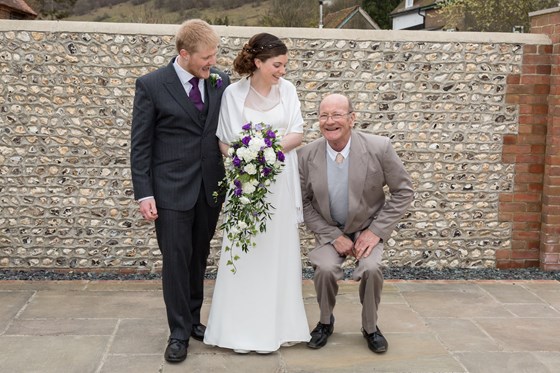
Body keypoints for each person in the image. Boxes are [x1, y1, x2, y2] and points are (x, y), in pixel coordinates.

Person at [130, 19, 230, 363]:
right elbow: (140, 145)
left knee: (198, 257)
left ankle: (193, 319)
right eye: (206, 56)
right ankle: (177, 332)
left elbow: (221, 132)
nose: (212, 62)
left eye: (214, 55)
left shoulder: (219, 81)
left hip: (209, 188)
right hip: (169, 191)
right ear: (184, 54)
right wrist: (144, 194)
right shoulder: (151, 85)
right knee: (176, 260)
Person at [204, 33, 310, 353]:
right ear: (258, 62)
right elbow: (224, 141)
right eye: (277, 65)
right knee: (246, 253)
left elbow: (297, 133)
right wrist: (246, 160)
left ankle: (277, 328)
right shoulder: (233, 94)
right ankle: (239, 331)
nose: (282, 71)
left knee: (277, 253)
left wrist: (266, 151)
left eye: (285, 65)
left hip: (279, 183)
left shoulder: (288, 90)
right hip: (246, 184)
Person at [297, 93, 414, 353]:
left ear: (352, 118)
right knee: (325, 269)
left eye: (337, 114)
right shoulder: (305, 155)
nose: (330, 121)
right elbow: (302, 202)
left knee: (372, 269)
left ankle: (370, 328)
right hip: (331, 230)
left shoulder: (379, 147)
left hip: (367, 227)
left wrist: (375, 232)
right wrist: (330, 234)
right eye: (324, 115)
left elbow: (404, 191)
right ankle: (325, 322)